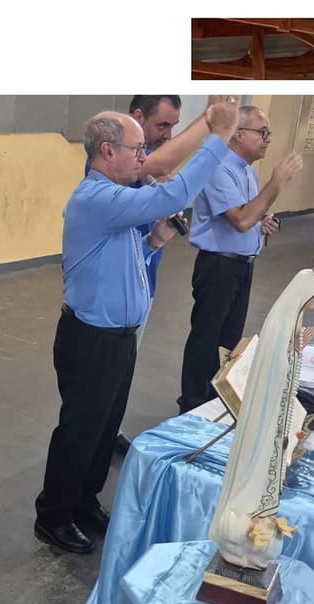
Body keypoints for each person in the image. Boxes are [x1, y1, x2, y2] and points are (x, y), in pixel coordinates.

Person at [35, 100, 239, 555]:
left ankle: (84, 501)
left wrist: (154, 242)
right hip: (91, 339)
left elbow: (121, 264)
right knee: (80, 430)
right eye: (137, 149)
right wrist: (218, 136)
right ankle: (53, 515)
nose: (144, 158)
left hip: (118, 338)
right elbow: (172, 194)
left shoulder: (117, 200)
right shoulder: (96, 198)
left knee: (105, 427)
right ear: (108, 151)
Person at [98, 96, 228, 454]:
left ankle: (109, 430)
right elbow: (166, 167)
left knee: (124, 369)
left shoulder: (145, 166)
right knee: (103, 377)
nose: (168, 135)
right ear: (137, 117)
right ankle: (96, 437)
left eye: (174, 126)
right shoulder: (116, 167)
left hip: (144, 276)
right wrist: (211, 122)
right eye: (162, 125)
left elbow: (165, 172)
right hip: (114, 290)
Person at [208, 245, 314, 568]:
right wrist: (292, 351)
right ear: (305, 292)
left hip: (274, 417)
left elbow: (286, 371)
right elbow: (275, 373)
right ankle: (241, 535)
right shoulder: (281, 325)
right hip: (266, 418)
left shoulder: (292, 322)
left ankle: (251, 537)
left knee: (265, 474)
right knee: (255, 471)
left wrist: (296, 350)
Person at [178, 105, 304, 414]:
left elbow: (252, 214)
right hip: (218, 266)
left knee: (229, 341)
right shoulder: (218, 168)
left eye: (268, 133)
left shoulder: (246, 169)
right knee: (207, 339)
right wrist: (276, 183)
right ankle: (192, 406)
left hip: (241, 264)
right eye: (262, 132)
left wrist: (265, 221)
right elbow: (241, 220)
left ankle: (215, 401)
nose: (268, 139)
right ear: (237, 133)